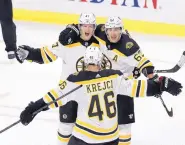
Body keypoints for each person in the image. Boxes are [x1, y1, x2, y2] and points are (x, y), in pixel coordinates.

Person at [19, 46, 182, 145]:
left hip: (85, 139)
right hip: (111, 139)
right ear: (101, 62)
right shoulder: (114, 77)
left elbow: (53, 98)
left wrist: (33, 109)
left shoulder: (75, 81)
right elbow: (138, 88)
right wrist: (162, 84)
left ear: (84, 62)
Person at [57, 16, 155, 145]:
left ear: (121, 30)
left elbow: (144, 64)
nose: (113, 33)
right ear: (106, 30)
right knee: (100, 125)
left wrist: (152, 79)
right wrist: (73, 28)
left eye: (116, 29)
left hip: (122, 86)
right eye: (110, 29)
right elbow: (86, 26)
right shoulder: (99, 32)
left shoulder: (129, 46)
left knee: (124, 127)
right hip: (105, 86)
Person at [15, 13, 110, 145]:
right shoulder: (67, 43)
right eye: (84, 25)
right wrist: (30, 54)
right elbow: (46, 55)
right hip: (67, 92)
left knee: (91, 132)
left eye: (90, 26)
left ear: (94, 28)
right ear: (79, 26)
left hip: (91, 95)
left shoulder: (100, 45)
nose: (87, 29)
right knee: (66, 129)